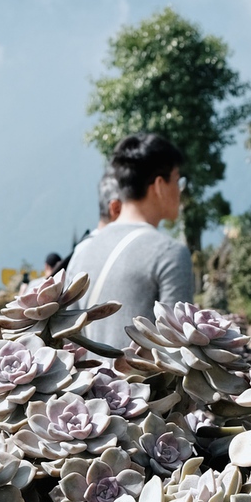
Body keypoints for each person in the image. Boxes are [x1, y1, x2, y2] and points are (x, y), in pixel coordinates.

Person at [64, 133, 193, 350]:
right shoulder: (170, 253)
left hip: (89, 383)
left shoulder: (83, 250)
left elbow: (66, 337)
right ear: (160, 185)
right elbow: (178, 349)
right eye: (177, 180)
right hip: (143, 385)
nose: (180, 191)